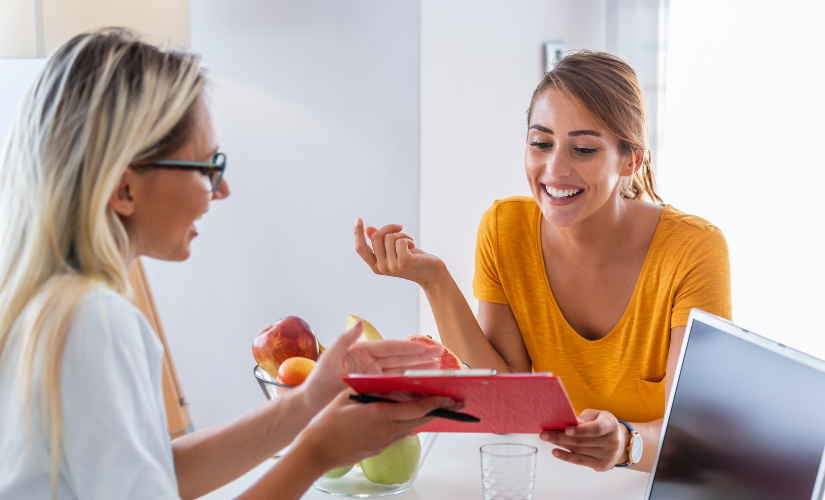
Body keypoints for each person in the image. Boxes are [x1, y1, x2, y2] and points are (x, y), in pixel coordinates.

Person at [0, 29, 456, 500]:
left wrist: (303, 406)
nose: (221, 190)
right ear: (125, 189)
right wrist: (317, 452)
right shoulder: (96, 322)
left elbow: (155, 473)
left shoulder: (47, 308)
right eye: (205, 167)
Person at [355, 50, 732, 473]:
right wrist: (435, 281)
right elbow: (506, 392)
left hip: (650, 485)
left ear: (631, 159)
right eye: (541, 143)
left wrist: (627, 443)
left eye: (584, 149)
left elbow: (696, 436)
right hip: (553, 478)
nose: (555, 168)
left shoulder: (694, 250)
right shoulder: (504, 228)